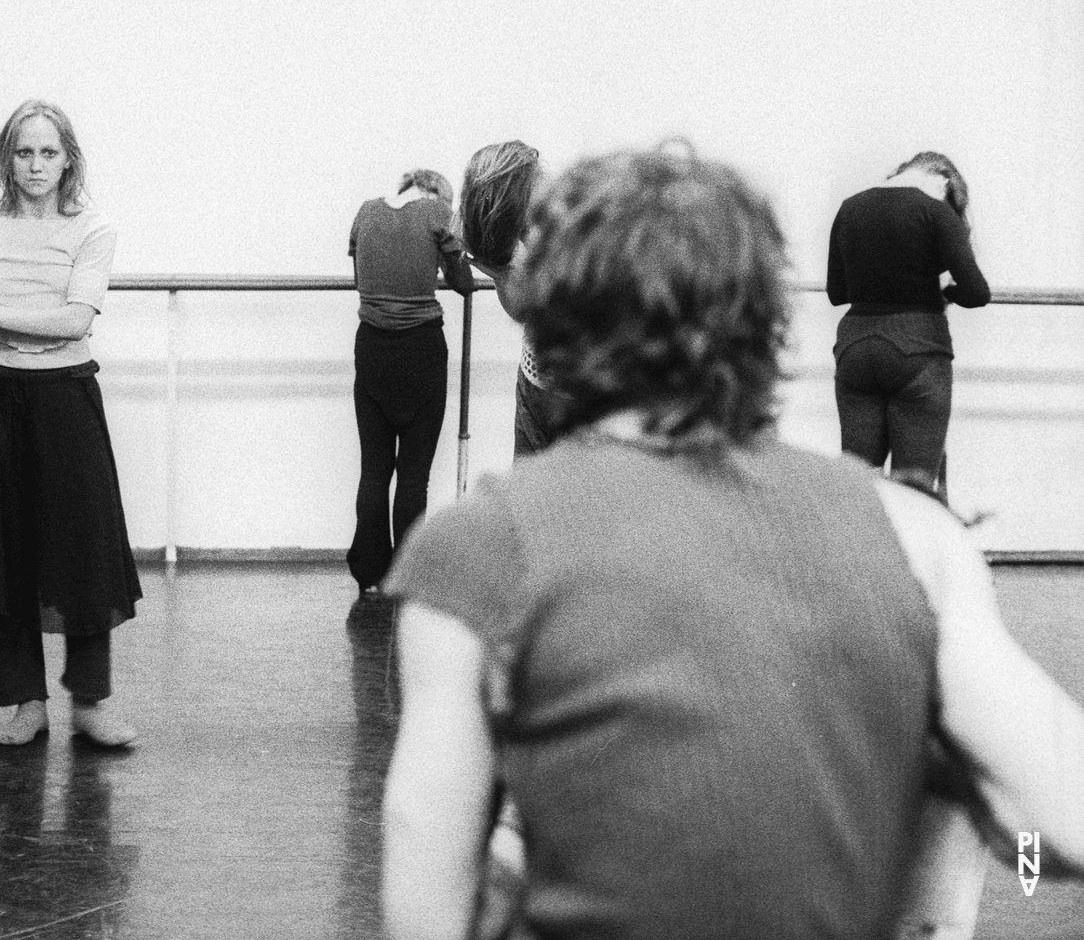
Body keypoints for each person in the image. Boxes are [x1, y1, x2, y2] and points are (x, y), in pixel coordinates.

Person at [381, 148, 1084, 940]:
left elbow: (425, 908)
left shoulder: (470, 551)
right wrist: (965, 830)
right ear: (762, 320)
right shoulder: (916, 536)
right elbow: (1058, 829)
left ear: (558, 308)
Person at [0, 99, 141, 748]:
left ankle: (90, 700)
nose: (36, 164)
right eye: (24, 152)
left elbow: (76, 319)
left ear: (68, 160)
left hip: (67, 399)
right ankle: (26, 702)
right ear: (7, 158)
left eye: (48, 152)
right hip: (3, 398)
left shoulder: (92, 228)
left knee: (82, 551)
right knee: (9, 552)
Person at [345, 169, 473, 621]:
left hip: (372, 350)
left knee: (373, 470)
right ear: (438, 194)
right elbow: (462, 283)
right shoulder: (438, 214)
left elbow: (361, 279)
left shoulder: (366, 212)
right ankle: (408, 576)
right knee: (413, 474)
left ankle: (368, 574)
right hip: (420, 351)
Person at [828, 152, 990, 497]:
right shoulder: (935, 211)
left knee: (858, 486)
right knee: (914, 492)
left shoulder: (850, 208)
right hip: (918, 348)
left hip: (855, 349)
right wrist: (947, 289)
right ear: (943, 181)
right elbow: (977, 292)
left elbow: (837, 292)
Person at [454, 141, 561, 457]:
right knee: (527, 494)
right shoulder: (507, 231)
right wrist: (503, 272)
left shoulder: (566, 228)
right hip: (534, 382)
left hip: (575, 396)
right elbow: (521, 313)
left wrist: (517, 270)